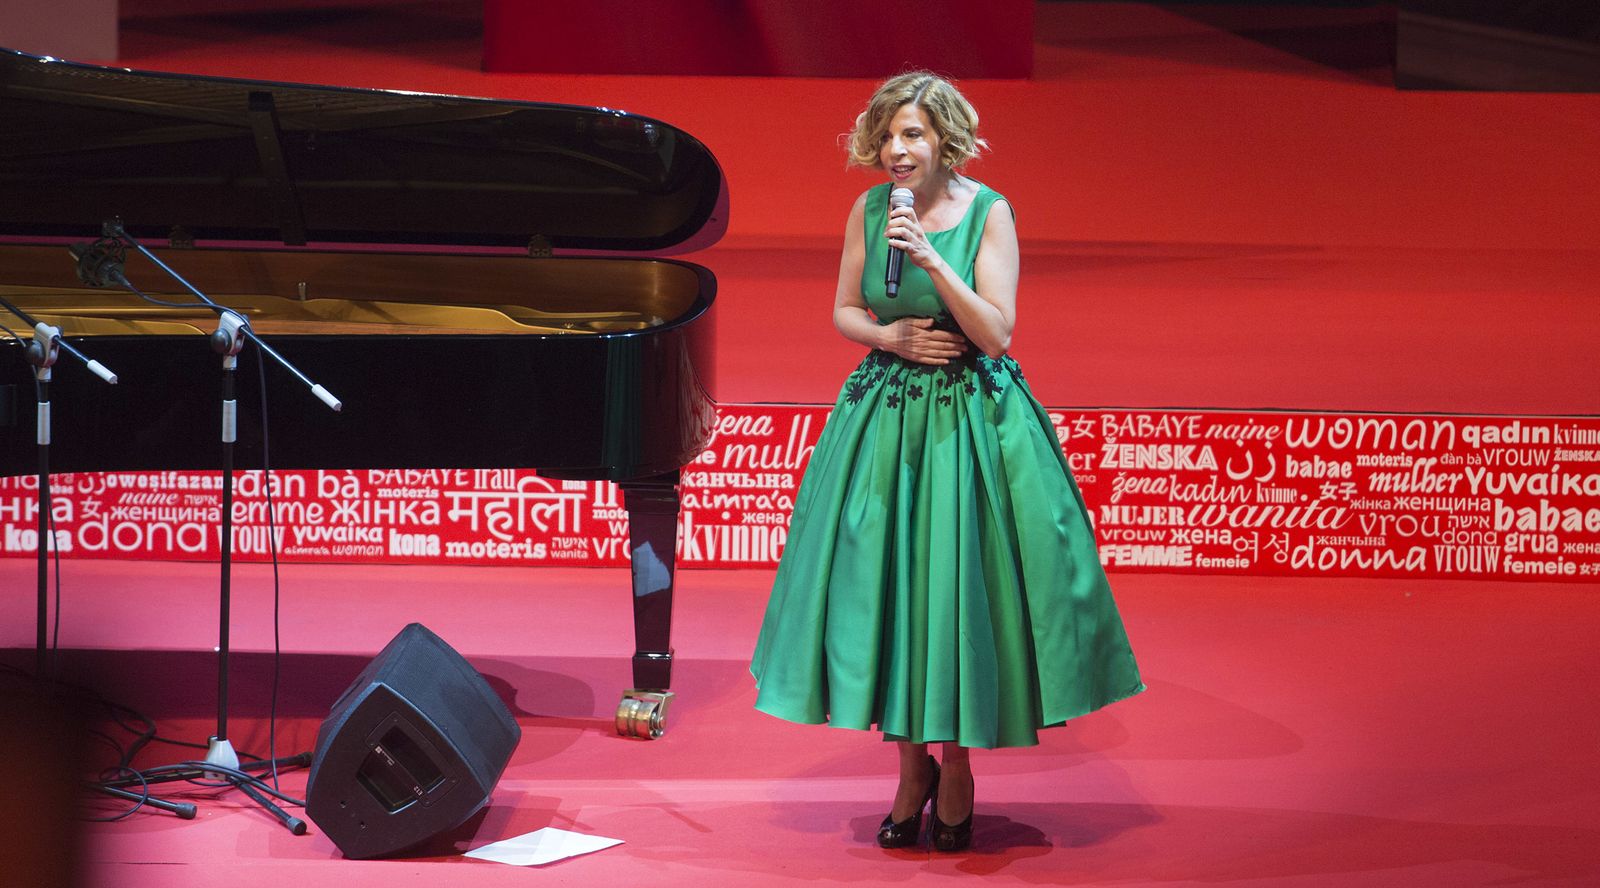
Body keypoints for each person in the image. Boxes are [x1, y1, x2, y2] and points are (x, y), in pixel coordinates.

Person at [749, 71, 1144, 853]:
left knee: (957, 590)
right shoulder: (869, 210)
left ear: (945, 140)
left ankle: (956, 765)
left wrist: (932, 261)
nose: (897, 151)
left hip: (970, 418)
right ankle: (910, 768)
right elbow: (846, 309)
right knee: (887, 585)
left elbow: (996, 332)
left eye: (914, 135)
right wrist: (887, 336)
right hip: (886, 415)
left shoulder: (990, 212)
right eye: (888, 136)